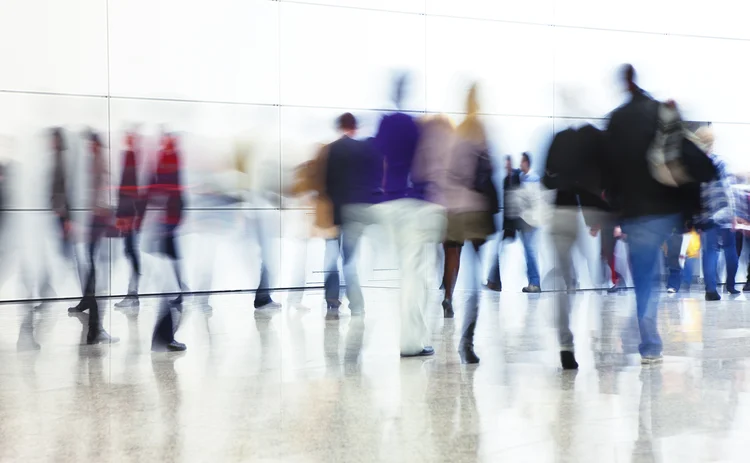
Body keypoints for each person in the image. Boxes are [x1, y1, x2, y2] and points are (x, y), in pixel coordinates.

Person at [607, 64, 698, 364]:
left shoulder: (618, 120)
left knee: (644, 277)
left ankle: (650, 343)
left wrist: (616, 213)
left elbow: (612, 172)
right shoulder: (660, 112)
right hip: (665, 209)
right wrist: (687, 211)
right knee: (656, 273)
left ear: (624, 83)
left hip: (636, 211)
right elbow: (681, 156)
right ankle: (649, 337)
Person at [371, 74, 447, 358]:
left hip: (389, 204)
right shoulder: (415, 127)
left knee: (407, 273)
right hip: (413, 204)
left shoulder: (385, 124)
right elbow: (424, 165)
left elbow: (378, 158)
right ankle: (411, 341)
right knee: (415, 275)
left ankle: (410, 339)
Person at [428, 85, 495, 363]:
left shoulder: (455, 135)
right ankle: (466, 340)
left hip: (452, 210)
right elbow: (486, 173)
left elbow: (443, 174)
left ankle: (448, 296)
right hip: (474, 210)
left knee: (451, 256)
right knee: (475, 274)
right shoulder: (479, 130)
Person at [323, 113, 380, 319]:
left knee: (332, 256)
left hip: (337, 211)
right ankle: (356, 304)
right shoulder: (365, 148)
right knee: (350, 259)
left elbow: (327, 183)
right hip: (359, 211)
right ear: (354, 127)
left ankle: (331, 298)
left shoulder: (334, 149)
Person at [68, 130, 119, 344]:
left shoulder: (96, 162)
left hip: (95, 222)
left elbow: (100, 193)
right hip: (94, 221)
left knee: (93, 271)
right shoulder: (94, 162)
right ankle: (94, 328)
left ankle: (93, 324)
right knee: (94, 272)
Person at [693, 126, 738, 300]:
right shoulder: (720, 162)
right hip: (724, 213)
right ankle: (731, 286)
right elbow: (728, 189)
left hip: (706, 216)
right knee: (730, 248)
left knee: (709, 251)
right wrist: (733, 213)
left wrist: (696, 219)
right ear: (712, 142)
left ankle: (711, 290)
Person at [114, 131, 144, 312]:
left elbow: (129, 190)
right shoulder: (131, 157)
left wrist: (126, 216)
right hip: (129, 215)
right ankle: (133, 293)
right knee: (130, 252)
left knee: (131, 252)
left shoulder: (132, 157)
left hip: (130, 216)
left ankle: (133, 294)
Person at [484, 156, 521, 292]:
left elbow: (518, 200)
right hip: (507, 221)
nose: (506, 167)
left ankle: (494, 282)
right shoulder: (506, 180)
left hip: (514, 221)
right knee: (498, 252)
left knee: (500, 253)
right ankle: (493, 282)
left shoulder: (516, 178)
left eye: (507, 164)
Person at [518, 152, 543, 293]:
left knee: (530, 251)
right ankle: (532, 282)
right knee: (528, 252)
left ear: (527, 162)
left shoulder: (533, 178)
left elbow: (532, 201)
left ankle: (535, 283)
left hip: (531, 221)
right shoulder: (523, 177)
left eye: (522, 162)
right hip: (525, 220)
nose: (520, 164)